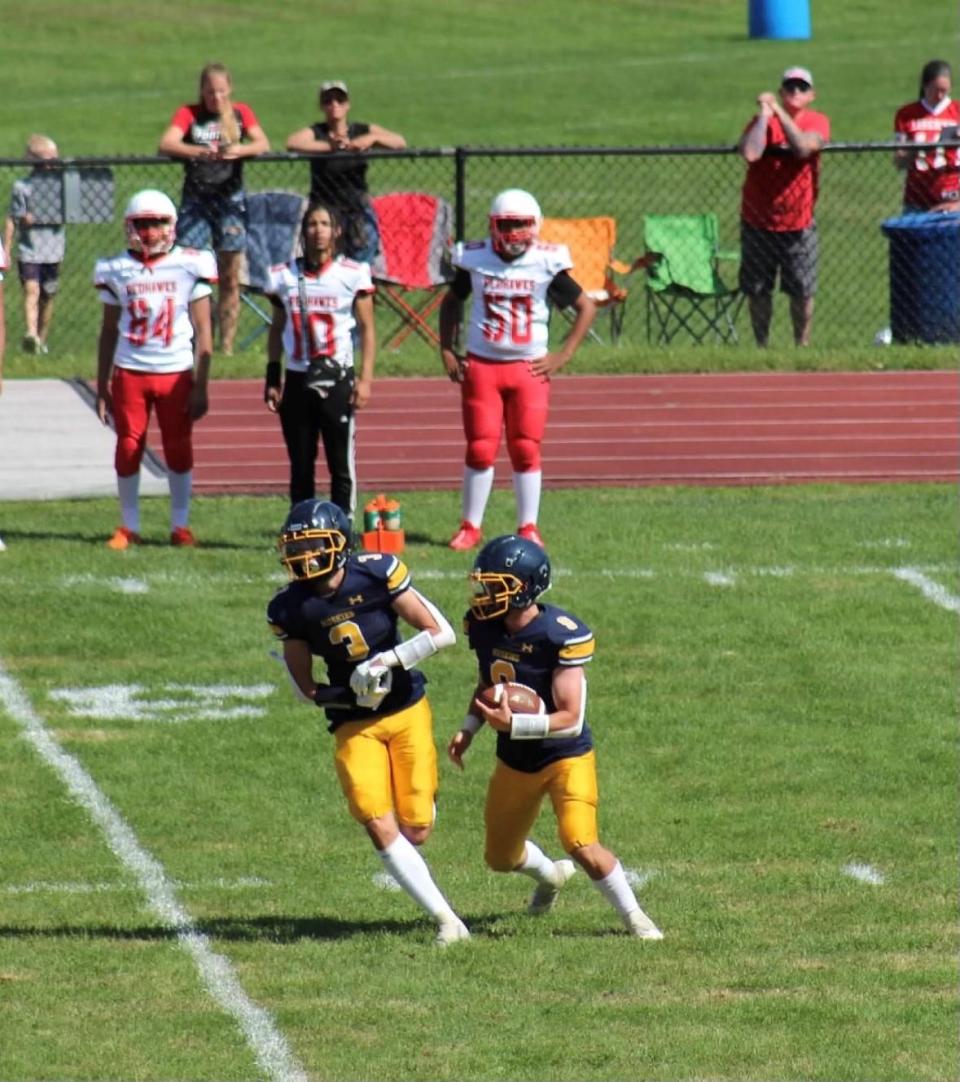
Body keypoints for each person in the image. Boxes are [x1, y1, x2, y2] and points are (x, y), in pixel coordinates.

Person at [267, 498, 469, 947]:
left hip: (405, 708)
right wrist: (352, 691)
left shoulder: (377, 572)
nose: (305, 556)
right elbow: (306, 689)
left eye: (316, 545)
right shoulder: (289, 608)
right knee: (376, 819)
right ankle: (448, 920)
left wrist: (387, 661)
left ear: (340, 544)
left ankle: (424, 804)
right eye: (297, 548)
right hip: (352, 723)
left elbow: (442, 632)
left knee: (417, 828)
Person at [447, 535, 663, 939]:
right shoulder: (483, 627)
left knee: (580, 840)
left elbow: (571, 718)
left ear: (524, 589)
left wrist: (516, 725)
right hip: (515, 761)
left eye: (496, 585)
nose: (485, 593)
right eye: (485, 584)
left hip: (565, 756)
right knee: (500, 857)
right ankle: (550, 878)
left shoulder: (559, 635)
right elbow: (488, 684)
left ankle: (636, 918)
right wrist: (469, 727)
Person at [438, 189, 596, 551]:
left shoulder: (546, 262)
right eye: (506, 224)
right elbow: (451, 303)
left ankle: (528, 527)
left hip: (528, 367)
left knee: (526, 447)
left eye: (520, 224)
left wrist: (563, 355)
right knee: (480, 447)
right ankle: (470, 527)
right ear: (493, 225)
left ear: (535, 226)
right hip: (482, 365)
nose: (512, 232)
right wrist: (446, 348)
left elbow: (586, 307)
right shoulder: (475, 259)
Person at [94, 189, 216, 550]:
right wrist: (101, 384)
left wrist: (202, 384)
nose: (149, 231)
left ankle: (180, 524)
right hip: (131, 369)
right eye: (143, 223)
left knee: (179, 446)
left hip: (175, 369)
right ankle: (129, 524)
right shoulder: (115, 268)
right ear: (129, 226)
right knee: (128, 445)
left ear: (172, 225)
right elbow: (107, 329)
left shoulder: (191, 263)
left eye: (157, 222)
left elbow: (204, 329)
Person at [263, 201, 376, 518]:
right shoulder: (284, 275)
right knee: (301, 463)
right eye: (312, 224)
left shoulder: (352, 274)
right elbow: (277, 328)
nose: (318, 231)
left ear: (336, 230)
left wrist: (365, 380)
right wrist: (273, 376)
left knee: (341, 464)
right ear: (303, 231)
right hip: (298, 376)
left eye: (325, 224)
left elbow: (367, 331)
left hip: (338, 377)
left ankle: (344, 528)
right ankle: (304, 526)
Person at [159, 62, 270, 356]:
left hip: (229, 198)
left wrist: (237, 150)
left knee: (230, 273)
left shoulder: (240, 114)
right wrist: (198, 152)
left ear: (229, 90)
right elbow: (167, 142)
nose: (216, 98)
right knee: (190, 266)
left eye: (221, 92)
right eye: (210, 92)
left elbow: (262, 142)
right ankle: (194, 339)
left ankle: (227, 345)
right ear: (202, 91)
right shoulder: (190, 114)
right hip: (197, 197)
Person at [737, 66, 830, 348]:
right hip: (758, 220)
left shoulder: (817, 121)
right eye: (789, 87)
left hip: (798, 222)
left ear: (812, 95)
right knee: (758, 290)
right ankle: (761, 346)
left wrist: (779, 112)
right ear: (781, 91)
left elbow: (803, 147)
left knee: (802, 291)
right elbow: (751, 153)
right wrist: (765, 118)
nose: (795, 92)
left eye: (802, 88)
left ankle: (801, 346)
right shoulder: (761, 121)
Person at [286, 80, 406, 263]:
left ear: (347, 104)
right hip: (325, 208)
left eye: (339, 100)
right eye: (328, 101)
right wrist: (329, 146)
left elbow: (399, 142)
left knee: (361, 264)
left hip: (357, 207)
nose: (334, 105)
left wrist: (371, 139)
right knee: (325, 261)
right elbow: (293, 143)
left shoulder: (360, 130)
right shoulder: (318, 131)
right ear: (322, 106)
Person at [2, 134, 66, 355]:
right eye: (45, 160)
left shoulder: (62, 186)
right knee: (32, 290)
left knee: (47, 296)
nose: (50, 165)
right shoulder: (23, 187)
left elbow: (72, 213)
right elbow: (12, 218)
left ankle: (40, 338)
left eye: (54, 160)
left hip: (54, 250)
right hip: (29, 249)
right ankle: (30, 333)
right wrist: (7, 250)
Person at [894, 60, 960, 213]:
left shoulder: (957, 110)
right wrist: (919, 149)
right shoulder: (906, 114)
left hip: (953, 198)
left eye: (944, 90)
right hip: (916, 197)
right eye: (936, 90)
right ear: (925, 86)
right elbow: (899, 162)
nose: (940, 95)